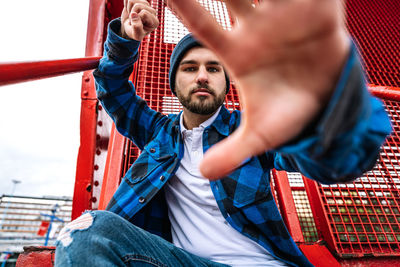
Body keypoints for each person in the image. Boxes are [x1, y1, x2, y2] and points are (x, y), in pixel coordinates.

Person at [55, 0, 391, 266]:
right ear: (174, 83)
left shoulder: (252, 130)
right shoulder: (157, 133)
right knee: (87, 230)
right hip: (185, 262)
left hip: (263, 264)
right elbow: (112, 89)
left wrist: (330, 107)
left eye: (213, 68)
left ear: (226, 82)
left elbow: (331, 164)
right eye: (190, 68)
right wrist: (125, 42)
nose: (202, 76)